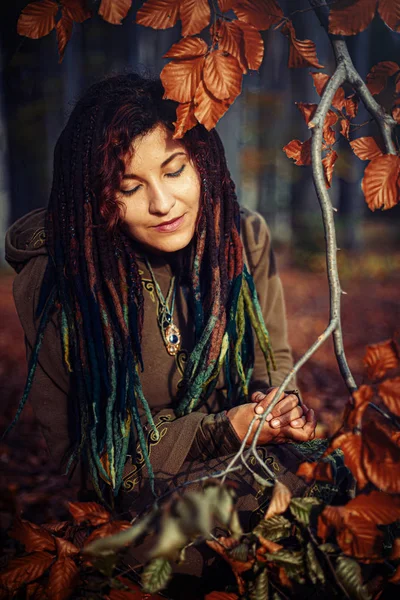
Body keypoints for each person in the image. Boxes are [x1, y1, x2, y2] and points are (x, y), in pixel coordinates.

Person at [5, 73, 346, 595]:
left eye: (175, 170)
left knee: (343, 494)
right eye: (129, 187)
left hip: (248, 459)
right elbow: (95, 465)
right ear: (96, 197)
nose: (163, 204)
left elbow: (271, 358)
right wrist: (225, 428)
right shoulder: (58, 285)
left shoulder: (239, 236)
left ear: (201, 162)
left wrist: (279, 405)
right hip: (142, 505)